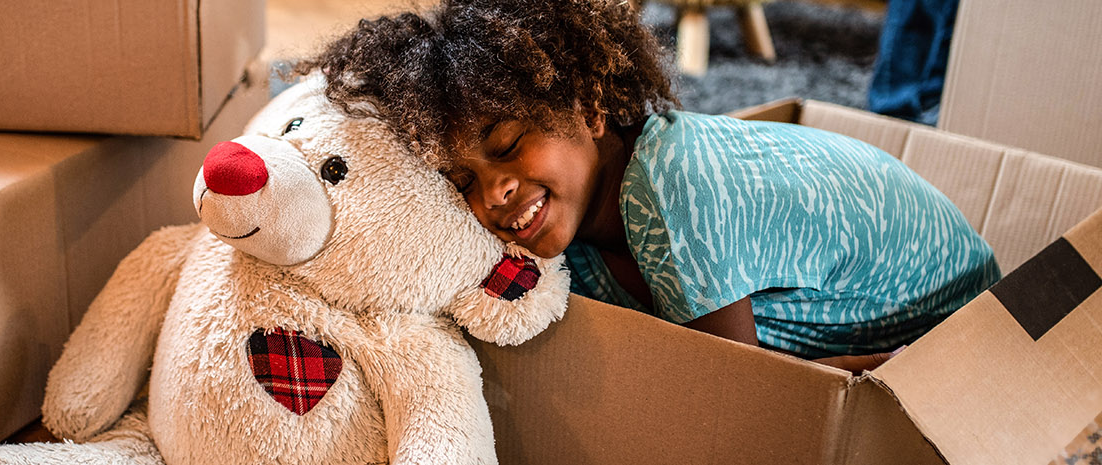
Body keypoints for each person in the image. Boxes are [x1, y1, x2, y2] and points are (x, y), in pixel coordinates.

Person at [296, 0, 999, 373]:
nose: (494, 196)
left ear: (592, 108)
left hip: (958, 308)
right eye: (464, 181)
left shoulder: (668, 183)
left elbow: (744, 398)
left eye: (509, 146)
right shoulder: (581, 243)